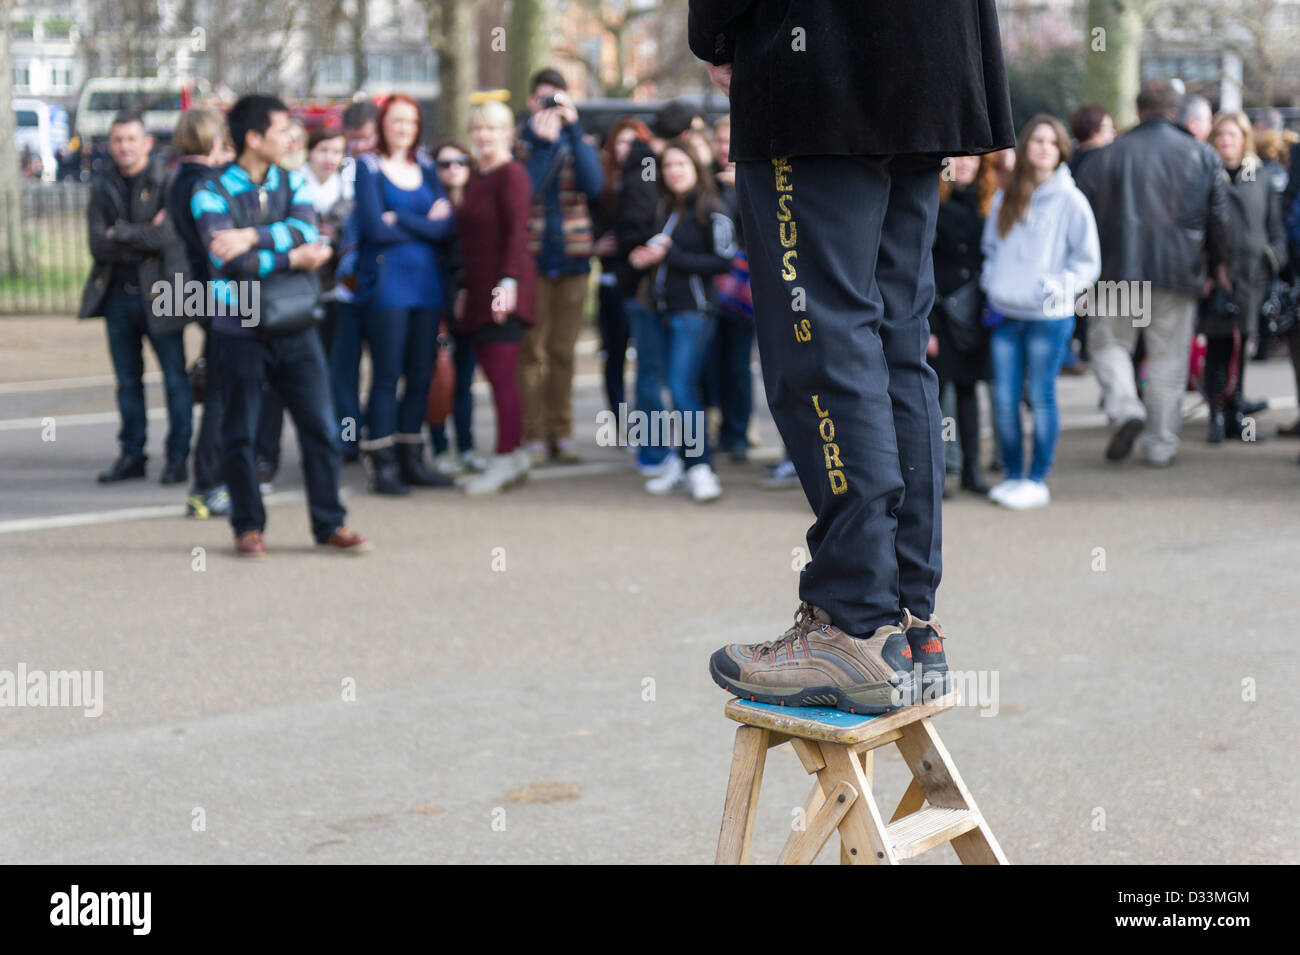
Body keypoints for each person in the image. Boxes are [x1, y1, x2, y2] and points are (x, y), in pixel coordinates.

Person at [690, 0, 1016, 711]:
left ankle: (855, 620)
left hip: (819, 59)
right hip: (930, 51)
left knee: (822, 337)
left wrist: (713, 27)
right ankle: (909, 623)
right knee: (896, 341)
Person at [192, 94, 371, 557]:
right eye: (281, 130)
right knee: (242, 433)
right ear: (253, 138)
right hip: (239, 326)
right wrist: (291, 255)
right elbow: (229, 262)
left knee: (322, 429)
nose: (292, 137)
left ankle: (329, 523)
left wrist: (252, 235)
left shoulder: (294, 182)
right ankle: (247, 527)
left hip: (296, 325)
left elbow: (309, 232)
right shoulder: (209, 191)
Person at [1075, 80, 1231, 467]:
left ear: (1138, 110)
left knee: (1108, 345)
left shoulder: (1106, 156)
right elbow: (1219, 219)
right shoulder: (1202, 156)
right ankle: (1160, 444)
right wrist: (1218, 266)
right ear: (1176, 112)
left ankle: (1126, 408)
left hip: (1116, 270)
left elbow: (1082, 217)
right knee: (1168, 359)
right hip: (1178, 271)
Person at [981, 116, 1101, 509]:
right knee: (1003, 399)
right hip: (1005, 313)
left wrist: (1056, 288)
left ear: (1062, 149)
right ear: (1025, 146)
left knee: (1041, 396)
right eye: (1037, 140)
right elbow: (991, 250)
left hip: (1049, 318)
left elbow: (1088, 263)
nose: (1044, 147)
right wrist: (992, 283)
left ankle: (1037, 477)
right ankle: (1013, 475)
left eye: (1052, 141)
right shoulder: (1006, 195)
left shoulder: (1071, 200)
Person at [80, 111, 193, 485]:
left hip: (163, 294)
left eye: (131, 139)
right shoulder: (102, 185)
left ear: (147, 142)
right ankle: (132, 454)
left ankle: (178, 456)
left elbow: (167, 239)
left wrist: (121, 233)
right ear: (110, 145)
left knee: (176, 380)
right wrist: (142, 235)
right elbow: (99, 245)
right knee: (128, 382)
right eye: (118, 140)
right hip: (118, 298)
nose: (124, 146)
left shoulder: (169, 181)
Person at [353, 94, 456, 493]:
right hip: (387, 287)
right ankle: (382, 463)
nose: (403, 129)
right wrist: (423, 224)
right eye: (396, 121)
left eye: (410, 122)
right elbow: (375, 229)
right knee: (386, 374)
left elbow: (446, 228)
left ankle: (412, 457)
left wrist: (402, 219)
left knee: (420, 374)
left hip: (427, 286)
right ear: (383, 123)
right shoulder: (369, 167)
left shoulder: (426, 167)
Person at [631, 138, 735, 502]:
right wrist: (647, 258)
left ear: (695, 168)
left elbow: (723, 261)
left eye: (681, 165)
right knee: (669, 388)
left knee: (681, 387)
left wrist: (671, 254)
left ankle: (701, 466)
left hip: (695, 312)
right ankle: (683, 461)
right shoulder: (667, 208)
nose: (673, 172)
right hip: (662, 310)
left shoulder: (713, 207)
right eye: (669, 165)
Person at [517, 68, 604, 465]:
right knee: (531, 351)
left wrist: (572, 130)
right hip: (533, 257)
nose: (549, 106)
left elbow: (594, 185)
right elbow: (525, 191)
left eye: (557, 99)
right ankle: (533, 435)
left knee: (563, 353)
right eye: (542, 99)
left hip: (572, 257)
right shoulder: (520, 144)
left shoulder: (579, 139)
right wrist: (542, 145)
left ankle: (562, 434)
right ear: (531, 102)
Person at [454, 100, 538, 494]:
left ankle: (504, 458)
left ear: (508, 133)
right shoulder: (475, 176)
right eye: (478, 129)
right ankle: (516, 453)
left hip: (505, 291)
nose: (483, 136)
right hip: (477, 289)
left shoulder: (512, 175)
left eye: (492, 129)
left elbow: (516, 234)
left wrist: (507, 283)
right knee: (496, 376)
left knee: (502, 378)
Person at [615, 100, 698, 476]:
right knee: (653, 375)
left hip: (663, 287)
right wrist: (655, 249)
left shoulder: (644, 167)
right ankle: (654, 453)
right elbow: (635, 230)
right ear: (684, 135)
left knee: (668, 377)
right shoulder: (648, 172)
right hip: (646, 290)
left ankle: (678, 454)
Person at [1201, 111, 1286, 444]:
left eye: (1232, 136)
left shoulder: (1260, 176)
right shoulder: (1206, 174)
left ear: (1245, 139)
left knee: (1242, 345)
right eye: (1220, 135)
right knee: (1218, 346)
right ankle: (1216, 415)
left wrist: (1271, 258)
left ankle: (1237, 413)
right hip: (1218, 278)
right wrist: (1208, 270)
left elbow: (1274, 227)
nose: (1226, 141)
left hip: (1252, 279)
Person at [168, 107, 236, 518]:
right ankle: (207, 484)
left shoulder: (180, 180)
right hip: (223, 294)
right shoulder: (206, 183)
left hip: (198, 291)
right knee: (222, 392)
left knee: (223, 386)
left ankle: (216, 478)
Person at [927, 153, 998, 496]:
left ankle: (972, 470)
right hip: (940, 313)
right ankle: (936, 473)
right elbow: (920, 267)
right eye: (959, 159)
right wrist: (928, 326)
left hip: (974, 315)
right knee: (935, 397)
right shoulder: (931, 203)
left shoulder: (988, 204)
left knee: (970, 395)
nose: (967, 165)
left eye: (974, 160)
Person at [428, 140, 487, 476]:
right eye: (445, 163)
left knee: (464, 379)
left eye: (461, 161)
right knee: (437, 377)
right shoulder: (427, 203)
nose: (454, 168)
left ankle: (466, 446)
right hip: (434, 304)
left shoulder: (478, 204)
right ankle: (438, 447)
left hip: (469, 304)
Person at [329, 99, 381, 462]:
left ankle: (379, 435)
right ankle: (348, 439)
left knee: (384, 368)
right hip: (344, 292)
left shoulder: (390, 169)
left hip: (382, 289)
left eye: (365, 139)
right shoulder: (335, 172)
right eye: (353, 140)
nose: (358, 147)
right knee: (343, 371)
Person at [593, 118, 651, 421]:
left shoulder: (649, 177)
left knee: (647, 358)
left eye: (632, 142)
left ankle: (648, 425)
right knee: (613, 354)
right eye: (620, 142)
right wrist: (593, 244)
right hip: (610, 278)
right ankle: (619, 420)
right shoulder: (602, 181)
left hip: (641, 280)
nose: (625, 149)